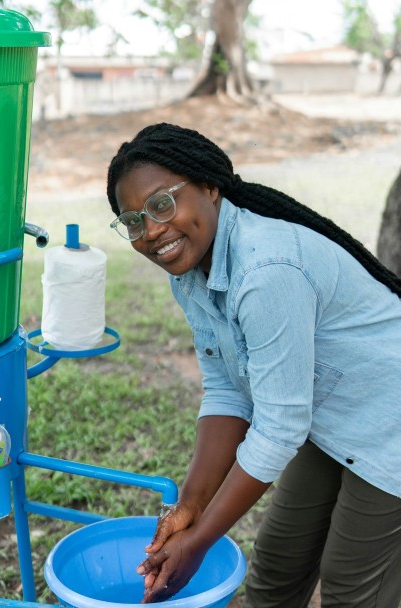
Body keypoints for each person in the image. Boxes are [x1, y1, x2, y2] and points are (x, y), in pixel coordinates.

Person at [106, 122, 401, 607]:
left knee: (352, 589)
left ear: (210, 187)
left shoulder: (266, 272)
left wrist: (198, 544)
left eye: (162, 204)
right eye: (133, 221)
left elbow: (279, 427)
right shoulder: (190, 274)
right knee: (276, 571)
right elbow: (225, 390)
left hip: (389, 420)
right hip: (331, 417)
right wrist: (190, 508)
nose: (152, 231)